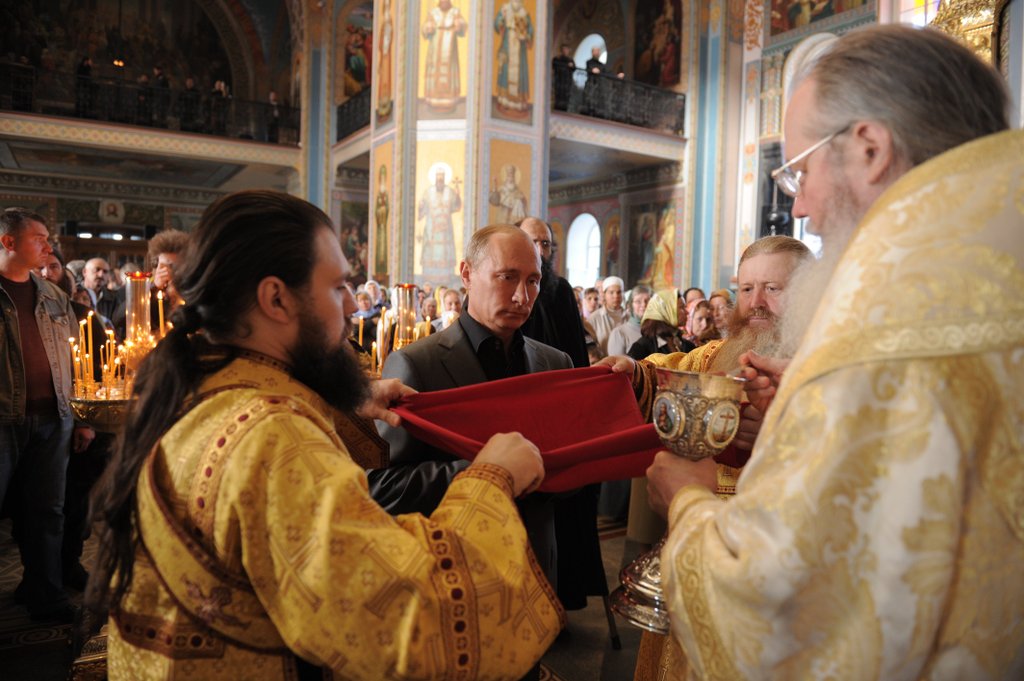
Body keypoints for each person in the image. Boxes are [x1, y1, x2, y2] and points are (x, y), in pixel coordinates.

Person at [644, 26, 1023, 678]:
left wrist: (688, 502)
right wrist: (804, 399)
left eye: (801, 172)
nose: (803, 209)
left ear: (871, 148)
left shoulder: (885, 314)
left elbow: (781, 614)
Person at [87, 191, 564, 680]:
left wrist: (341, 401)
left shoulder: (199, 388)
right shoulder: (274, 440)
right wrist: (491, 476)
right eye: (337, 286)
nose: (355, 304)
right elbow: (411, 616)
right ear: (276, 298)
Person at [369, 225, 571, 681]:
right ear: (466, 273)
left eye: (534, 281)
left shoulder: (556, 364)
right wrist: (489, 473)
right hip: (454, 574)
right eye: (507, 277)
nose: (522, 296)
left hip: (534, 568)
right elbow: (386, 488)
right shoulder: (415, 364)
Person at [1, 208, 94, 622]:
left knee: (47, 512)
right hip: (3, 419)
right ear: (8, 242)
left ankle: (46, 593)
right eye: (38, 238)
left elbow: (77, 361)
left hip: (54, 419)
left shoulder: (53, 296)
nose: (48, 246)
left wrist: (83, 416)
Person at [421, 0, 468, 111]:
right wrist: (428, 27)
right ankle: (434, 100)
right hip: (435, 51)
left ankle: (450, 101)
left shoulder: (455, 12)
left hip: (450, 50)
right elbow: (424, 28)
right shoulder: (433, 12)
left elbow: (463, 26)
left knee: (449, 72)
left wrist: (459, 25)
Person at [417, 168, 462, 281]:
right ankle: (429, 276)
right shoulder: (428, 192)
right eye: (438, 178)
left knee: (445, 251)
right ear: (435, 179)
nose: (440, 181)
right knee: (431, 251)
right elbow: (422, 210)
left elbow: (456, 207)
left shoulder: (450, 192)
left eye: (442, 179)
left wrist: (457, 196)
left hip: (446, 230)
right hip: (431, 229)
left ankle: (447, 276)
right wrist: (421, 206)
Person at [626, 287, 692, 360]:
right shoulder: (641, 348)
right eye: (681, 307)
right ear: (665, 311)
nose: (687, 312)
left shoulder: (687, 345)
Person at [493, 0, 534, 114]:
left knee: (519, 72)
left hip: (520, 47)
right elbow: (497, 22)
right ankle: (504, 100)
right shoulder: (505, 8)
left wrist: (528, 35)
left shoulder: (524, 12)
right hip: (508, 42)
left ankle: (518, 103)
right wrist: (501, 22)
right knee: (506, 69)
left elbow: (530, 29)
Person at [146, 229, 189, 332]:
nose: (169, 272)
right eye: (164, 265)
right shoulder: (148, 290)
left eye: (173, 266)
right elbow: (121, 319)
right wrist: (154, 287)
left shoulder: (192, 290)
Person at [607, 284, 651, 357]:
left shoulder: (656, 331)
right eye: (638, 301)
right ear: (630, 305)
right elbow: (617, 366)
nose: (643, 305)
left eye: (647, 301)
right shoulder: (619, 333)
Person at [588, 275, 627, 355]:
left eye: (619, 292)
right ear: (604, 294)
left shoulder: (629, 316)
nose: (616, 296)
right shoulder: (594, 318)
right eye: (611, 292)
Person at [551, 44, 575, 111]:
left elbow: (574, 68)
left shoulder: (570, 60)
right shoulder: (557, 59)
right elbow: (554, 65)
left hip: (567, 82)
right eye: (564, 49)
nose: (565, 51)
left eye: (567, 49)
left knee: (566, 97)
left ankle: (565, 109)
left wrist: (571, 66)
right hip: (559, 81)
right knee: (558, 96)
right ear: (562, 50)